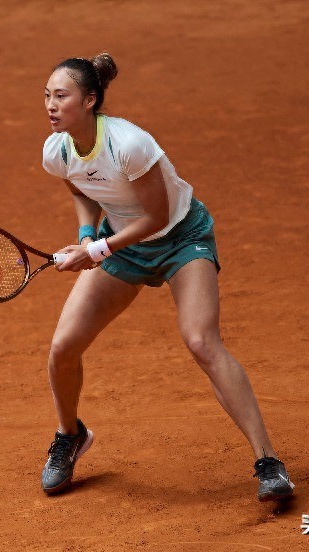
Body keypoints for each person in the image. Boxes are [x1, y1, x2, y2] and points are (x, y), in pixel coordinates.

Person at [40, 53, 295, 502]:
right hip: (124, 246)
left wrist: (96, 251)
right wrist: (85, 236)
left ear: (90, 99)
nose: (51, 105)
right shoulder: (57, 150)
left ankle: (269, 463)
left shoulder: (129, 144)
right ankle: (70, 434)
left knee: (201, 341)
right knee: (63, 347)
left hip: (180, 238)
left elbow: (157, 218)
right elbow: (83, 190)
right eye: (47, 96)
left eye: (61, 96)